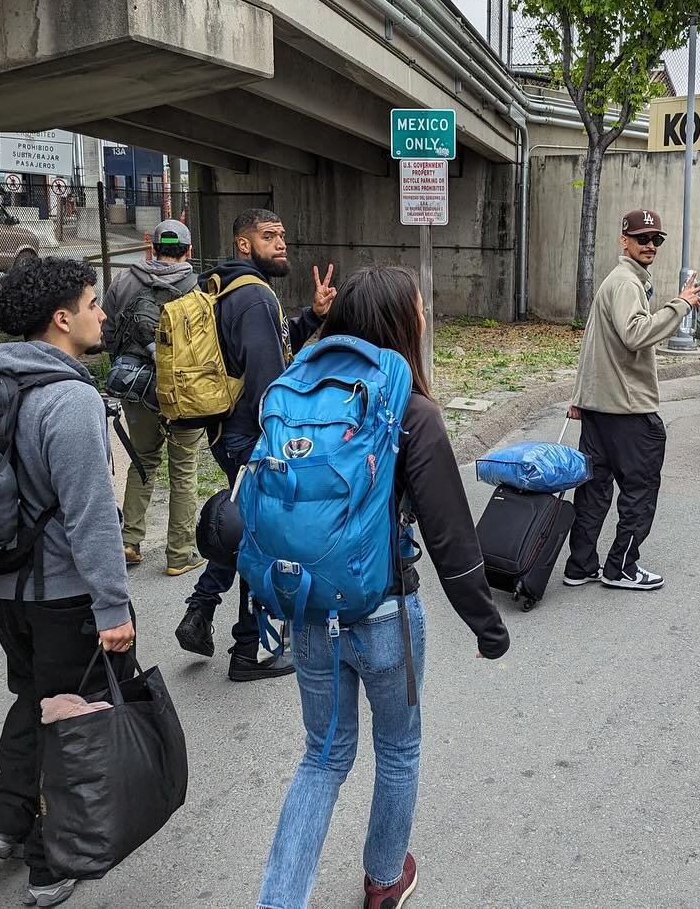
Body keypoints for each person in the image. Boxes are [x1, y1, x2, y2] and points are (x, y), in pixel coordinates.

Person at [255, 266, 509, 909]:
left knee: (322, 758)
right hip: (384, 611)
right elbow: (451, 535)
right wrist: (486, 624)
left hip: (308, 605)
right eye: (420, 309)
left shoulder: (298, 391)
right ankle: (385, 878)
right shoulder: (409, 409)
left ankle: (278, 901)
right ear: (404, 322)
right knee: (397, 749)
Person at [0, 258, 136, 909]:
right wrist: (113, 604)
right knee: (70, 721)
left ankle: (3, 820)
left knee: (32, 694)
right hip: (60, 594)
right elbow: (91, 512)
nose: (101, 314)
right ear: (62, 318)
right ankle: (48, 863)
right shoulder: (69, 398)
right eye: (93, 302)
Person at [173, 208, 336, 682]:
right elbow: (270, 382)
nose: (281, 243)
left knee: (241, 526)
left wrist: (312, 318)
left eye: (282, 234)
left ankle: (202, 609)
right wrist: (287, 439)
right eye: (269, 236)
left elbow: (261, 350)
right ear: (245, 244)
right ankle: (251, 651)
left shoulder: (225, 285)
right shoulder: (255, 297)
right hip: (253, 436)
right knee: (260, 539)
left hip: (228, 430)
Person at [561, 209, 700, 592]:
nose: (650, 245)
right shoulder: (627, 283)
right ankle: (622, 567)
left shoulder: (618, 280)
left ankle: (581, 565)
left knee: (594, 490)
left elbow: (593, 341)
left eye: (656, 239)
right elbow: (634, 335)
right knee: (639, 490)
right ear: (623, 240)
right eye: (642, 238)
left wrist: (580, 396)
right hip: (628, 410)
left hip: (601, 408)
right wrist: (681, 305)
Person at [100, 218, 204, 576]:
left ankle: (129, 541)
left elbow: (108, 333)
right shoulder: (198, 288)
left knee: (142, 460)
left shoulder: (124, 281)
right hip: (183, 392)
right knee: (184, 470)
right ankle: (179, 554)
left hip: (136, 387)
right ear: (189, 251)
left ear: (152, 247)